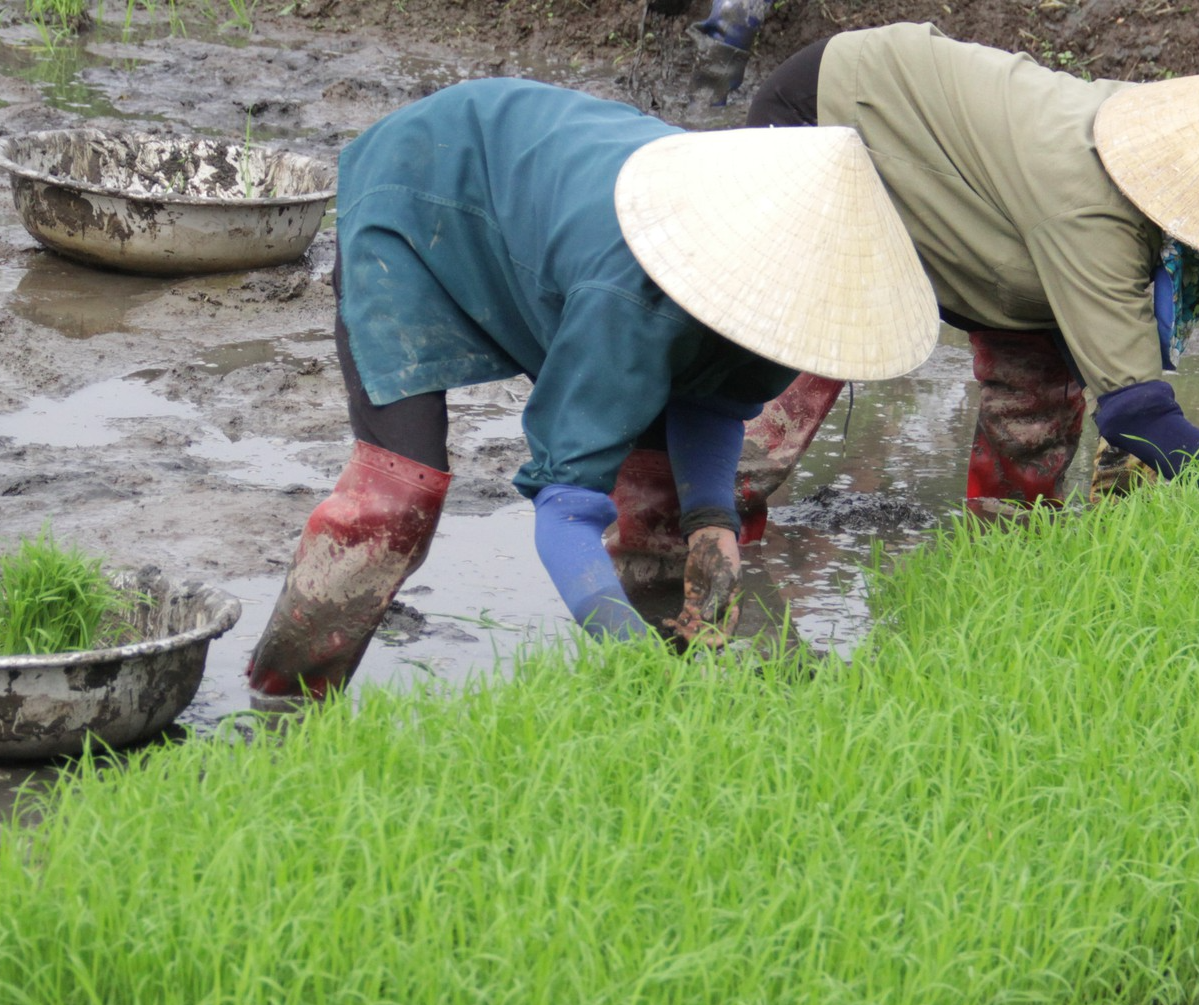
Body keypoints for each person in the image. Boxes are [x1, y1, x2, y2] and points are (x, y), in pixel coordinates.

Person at [246, 78, 938, 699]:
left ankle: (666, 691)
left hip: (554, 211)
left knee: (663, 501)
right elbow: (566, 514)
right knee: (398, 499)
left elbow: (715, 398)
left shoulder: (796, 297)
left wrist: (712, 523)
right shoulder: (635, 295)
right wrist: (627, 661)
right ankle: (283, 702)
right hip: (425, 186)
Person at [647, 23, 1199, 532]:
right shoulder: (1094, 206)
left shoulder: (1160, 160)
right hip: (834, 113)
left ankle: (1011, 559)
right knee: (808, 343)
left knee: (1043, 372)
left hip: (963, 168)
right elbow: (1138, 415)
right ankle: (686, 539)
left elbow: (1128, 362)